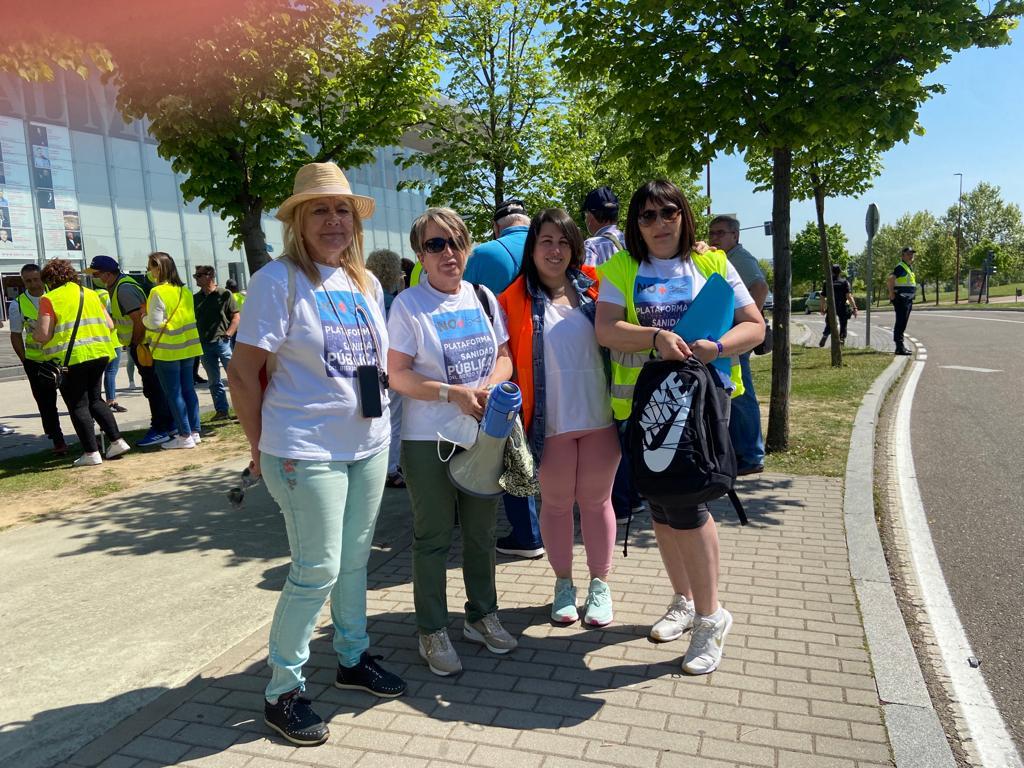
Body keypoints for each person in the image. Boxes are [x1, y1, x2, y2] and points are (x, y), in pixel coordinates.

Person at [227, 162, 404, 747]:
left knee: (355, 560)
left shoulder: (366, 285)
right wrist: (258, 448)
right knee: (317, 568)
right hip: (303, 449)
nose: (334, 220)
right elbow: (243, 375)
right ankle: (283, 689)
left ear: (355, 221)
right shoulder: (278, 282)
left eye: (342, 210)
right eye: (320, 210)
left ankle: (352, 659)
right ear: (299, 221)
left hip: (367, 444)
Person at [595, 180, 764, 675]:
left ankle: (712, 618)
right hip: (642, 408)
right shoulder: (621, 268)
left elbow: (754, 324)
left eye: (668, 212)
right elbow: (606, 329)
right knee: (663, 509)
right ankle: (685, 602)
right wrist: (654, 336)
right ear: (636, 224)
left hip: (702, 409)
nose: (659, 222)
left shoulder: (711, 262)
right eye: (647, 215)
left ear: (683, 215)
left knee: (688, 506)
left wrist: (718, 346)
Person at [387, 207, 518, 677]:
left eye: (456, 241)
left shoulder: (482, 297)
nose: (448, 252)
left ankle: (482, 616)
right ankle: (432, 630)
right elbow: (397, 375)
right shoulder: (408, 305)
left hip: (482, 433)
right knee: (433, 536)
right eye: (435, 245)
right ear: (419, 254)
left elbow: (504, 357)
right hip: (429, 439)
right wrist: (451, 394)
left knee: (482, 532)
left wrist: (487, 389)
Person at [499, 209, 619, 626]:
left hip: (600, 418)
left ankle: (600, 585)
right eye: (546, 241)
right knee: (554, 505)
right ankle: (564, 584)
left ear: (575, 247)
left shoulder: (599, 285)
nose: (555, 250)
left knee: (596, 502)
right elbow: (502, 359)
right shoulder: (511, 299)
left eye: (563, 241)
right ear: (532, 248)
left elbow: (645, 279)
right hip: (548, 426)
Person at [465, 199, 543, 559]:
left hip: (504, 361)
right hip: (554, 358)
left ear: (498, 228)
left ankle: (527, 533)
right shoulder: (553, 243)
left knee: (512, 443)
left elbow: (462, 302)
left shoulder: (484, 254)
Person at [32, 259, 130, 466]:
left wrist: (34, 332)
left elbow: (42, 334)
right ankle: (117, 441)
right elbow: (110, 324)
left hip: (72, 359)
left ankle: (91, 452)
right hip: (99, 353)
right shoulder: (91, 294)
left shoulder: (49, 299)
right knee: (95, 399)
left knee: (78, 404)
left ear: (49, 280)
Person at [86, 255, 176, 446]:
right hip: (142, 344)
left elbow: (138, 321)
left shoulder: (124, 289)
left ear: (108, 274)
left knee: (153, 388)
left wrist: (135, 343)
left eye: (96, 274)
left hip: (143, 345)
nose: (95, 278)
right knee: (154, 386)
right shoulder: (118, 286)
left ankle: (161, 427)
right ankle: (168, 424)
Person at [708, 214, 769, 475]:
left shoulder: (739, 258)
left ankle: (752, 455)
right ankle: (742, 451)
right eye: (712, 233)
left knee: (742, 395)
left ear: (735, 235)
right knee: (735, 391)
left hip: (735, 337)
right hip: (728, 337)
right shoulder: (722, 258)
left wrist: (745, 322)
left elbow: (760, 287)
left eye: (720, 233)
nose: (714, 238)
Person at [143, 251, 204, 449]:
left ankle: (184, 435)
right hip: (189, 347)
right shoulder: (184, 291)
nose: (148, 271)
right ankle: (194, 431)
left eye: (150, 267)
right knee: (188, 390)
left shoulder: (157, 292)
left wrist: (143, 317)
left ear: (158, 268)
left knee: (173, 393)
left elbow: (153, 323)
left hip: (167, 350)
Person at [8, 263, 68, 454]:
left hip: (61, 358)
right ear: (23, 281)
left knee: (74, 399)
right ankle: (58, 441)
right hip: (36, 362)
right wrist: (25, 360)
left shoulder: (57, 295)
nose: (33, 284)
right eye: (28, 281)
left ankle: (87, 438)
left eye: (36, 279)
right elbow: (16, 334)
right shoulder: (18, 304)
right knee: (46, 404)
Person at [366, 248, 406, 488]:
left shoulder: (366, 297)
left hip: (370, 370)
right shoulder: (395, 302)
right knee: (395, 418)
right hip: (393, 369)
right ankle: (391, 469)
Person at [192, 265, 239, 420]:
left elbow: (235, 316)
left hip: (222, 342)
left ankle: (242, 411)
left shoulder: (224, 294)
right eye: (195, 275)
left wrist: (229, 333)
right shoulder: (196, 298)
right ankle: (222, 411)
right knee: (213, 381)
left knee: (235, 378)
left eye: (198, 275)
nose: (196, 278)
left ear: (209, 276)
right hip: (204, 344)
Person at [93, 285, 126, 413]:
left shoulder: (92, 296)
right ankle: (110, 400)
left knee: (100, 374)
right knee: (111, 372)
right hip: (113, 341)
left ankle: (98, 400)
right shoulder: (106, 295)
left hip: (100, 342)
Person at [582, 186, 625, 268]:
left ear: (590, 215)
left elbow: (586, 280)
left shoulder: (592, 246)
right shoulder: (632, 242)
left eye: (585, 214)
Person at [819, 264, 858, 346]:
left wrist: (822, 309)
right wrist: (854, 308)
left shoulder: (827, 282)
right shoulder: (844, 282)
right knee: (843, 323)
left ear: (831, 272)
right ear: (840, 272)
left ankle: (825, 335)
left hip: (831, 306)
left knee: (829, 322)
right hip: (842, 305)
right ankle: (842, 339)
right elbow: (848, 296)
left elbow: (822, 296)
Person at [888, 246, 916, 356]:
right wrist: (891, 294)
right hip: (901, 299)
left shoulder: (908, 267)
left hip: (907, 300)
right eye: (909, 253)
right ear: (903, 256)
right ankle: (899, 347)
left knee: (903, 323)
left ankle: (901, 346)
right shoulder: (901, 267)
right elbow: (890, 279)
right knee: (900, 323)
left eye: (912, 253)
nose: (911, 255)